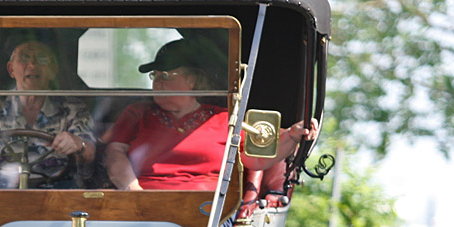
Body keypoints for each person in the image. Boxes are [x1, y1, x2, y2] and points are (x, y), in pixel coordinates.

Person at [104, 39, 317, 192]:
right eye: (155, 75)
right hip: (144, 205)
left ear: (192, 80)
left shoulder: (225, 118)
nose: (157, 82)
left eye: (166, 75)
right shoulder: (137, 113)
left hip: (208, 211)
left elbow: (255, 160)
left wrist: (293, 135)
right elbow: (114, 153)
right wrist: (133, 192)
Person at [0, 39, 96, 189]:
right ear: (11, 69)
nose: (32, 65)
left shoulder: (73, 109)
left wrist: (78, 144)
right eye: (24, 58)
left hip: (57, 198)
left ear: (53, 70)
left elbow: (90, 154)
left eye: (42, 59)